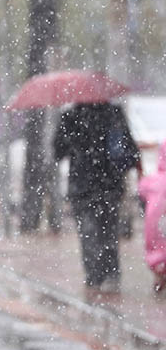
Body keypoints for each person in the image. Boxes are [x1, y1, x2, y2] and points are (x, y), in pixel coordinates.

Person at [53, 102, 141, 293]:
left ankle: (94, 277)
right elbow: (130, 150)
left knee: (88, 233)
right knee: (108, 231)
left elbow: (58, 152)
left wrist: (74, 141)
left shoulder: (70, 116)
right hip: (110, 184)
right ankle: (110, 275)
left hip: (82, 186)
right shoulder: (114, 113)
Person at [138, 140, 166, 293]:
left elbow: (142, 188)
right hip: (160, 222)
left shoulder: (154, 180)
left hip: (158, 225)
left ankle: (159, 278)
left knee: (158, 251)